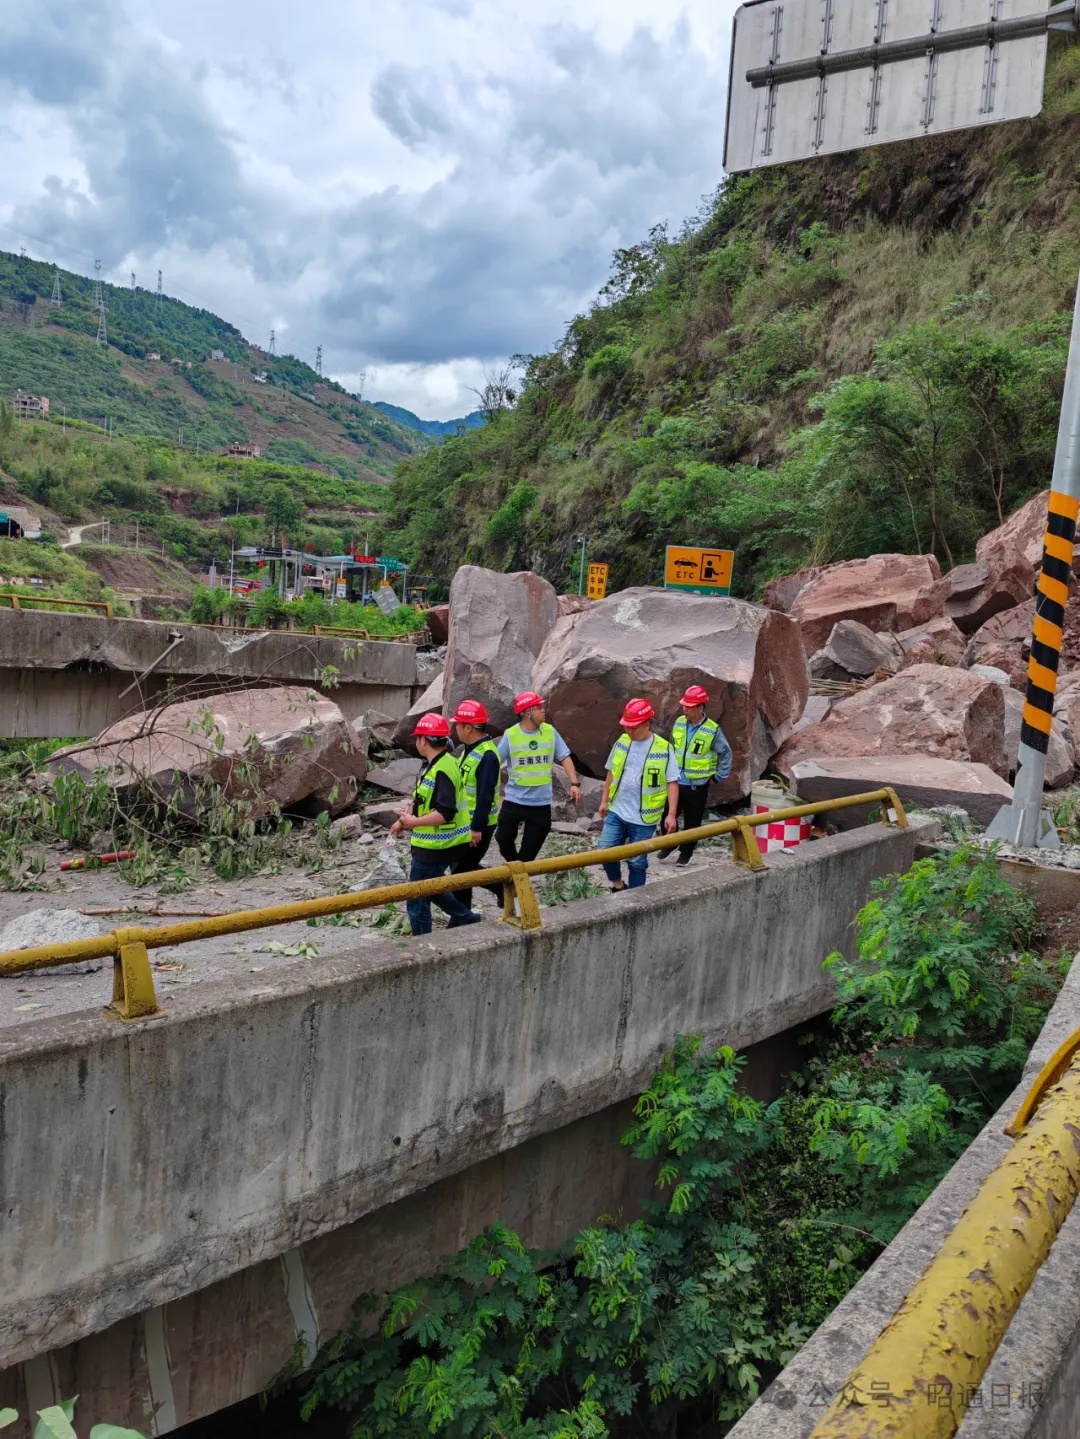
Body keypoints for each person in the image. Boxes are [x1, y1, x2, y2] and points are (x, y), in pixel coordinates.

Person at [389, 712, 482, 936]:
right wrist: (404, 820)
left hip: (438, 845)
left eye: (417, 738)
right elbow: (424, 800)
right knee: (432, 887)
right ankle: (466, 917)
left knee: (417, 895)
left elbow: (445, 812)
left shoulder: (442, 769)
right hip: (442, 843)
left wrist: (413, 823)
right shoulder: (441, 763)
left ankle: (423, 943)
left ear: (423, 740)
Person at [597, 698, 679, 892]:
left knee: (637, 862)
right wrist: (604, 801)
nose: (629, 731)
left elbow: (672, 782)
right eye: (626, 727)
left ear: (647, 724)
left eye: (633, 727)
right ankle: (618, 885)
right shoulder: (623, 742)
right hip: (617, 809)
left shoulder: (664, 748)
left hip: (644, 818)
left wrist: (671, 814)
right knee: (604, 851)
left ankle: (635, 901)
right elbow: (611, 772)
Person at [495, 691, 582, 863]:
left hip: (540, 804)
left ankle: (518, 877)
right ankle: (516, 871)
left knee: (529, 852)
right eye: (539, 707)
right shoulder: (511, 735)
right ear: (527, 713)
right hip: (514, 801)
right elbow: (495, 761)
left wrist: (574, 783)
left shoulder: (549, 731)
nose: (543, 710)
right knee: (502, 838)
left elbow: (564, 756)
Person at [663, 685, 733, 867]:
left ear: (700, 708)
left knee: (692, 822)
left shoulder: (712, 730)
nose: (684, 709)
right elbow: (672, 747)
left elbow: (725, 753)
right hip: (676, 782)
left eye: (689, 706)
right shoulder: (679, 722)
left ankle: (685, 853)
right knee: (667, 815)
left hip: (697, 785)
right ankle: (669, 843)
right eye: (684, 705)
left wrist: (718, 776)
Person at [448, 698, 501, 908]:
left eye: (458, 724)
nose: (455, 728)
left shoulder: (486, 755)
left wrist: (476, 828)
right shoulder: (469, 750)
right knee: (462, 869)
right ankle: (467, 913)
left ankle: (462, 917)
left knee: (460, 873)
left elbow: (485, 796)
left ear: (468, 727)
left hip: (479, 825)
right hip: (464, 822)